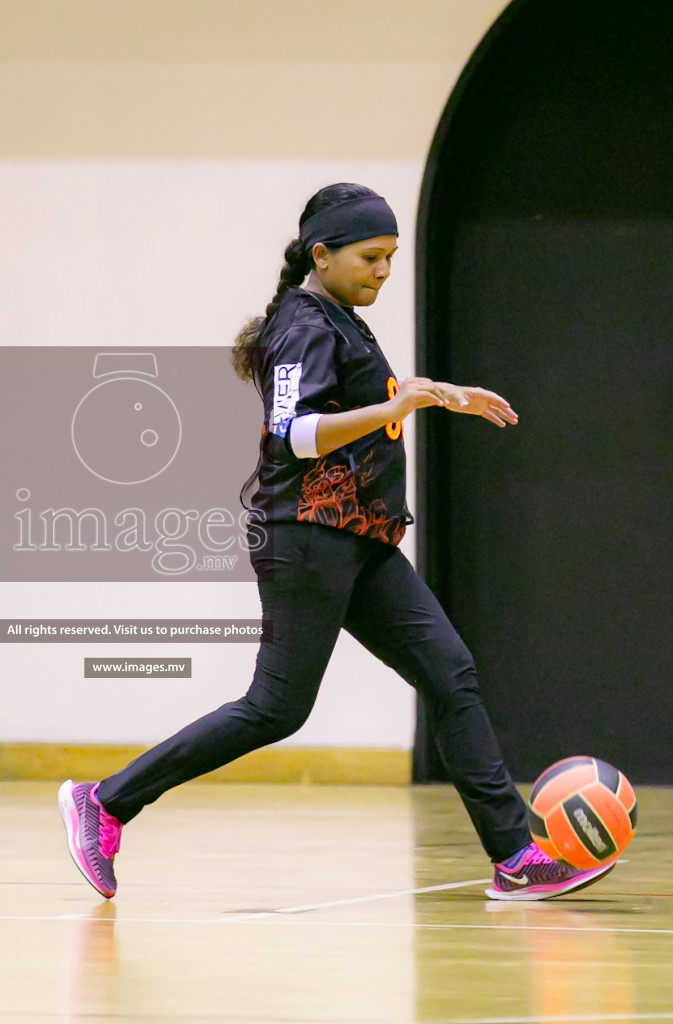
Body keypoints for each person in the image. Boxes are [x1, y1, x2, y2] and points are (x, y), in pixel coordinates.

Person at [58, 183, 616, 902]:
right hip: (307, 539)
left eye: (390, 257)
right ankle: (103, 802)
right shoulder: (300, 325)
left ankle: (514, 856)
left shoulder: (339, 317)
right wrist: (395, 405)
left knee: (450, 673)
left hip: (359, 541)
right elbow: (292, 433)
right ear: (320, 255)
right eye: (369, 256)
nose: (383, 270)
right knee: (275, 709)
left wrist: (429, 393)